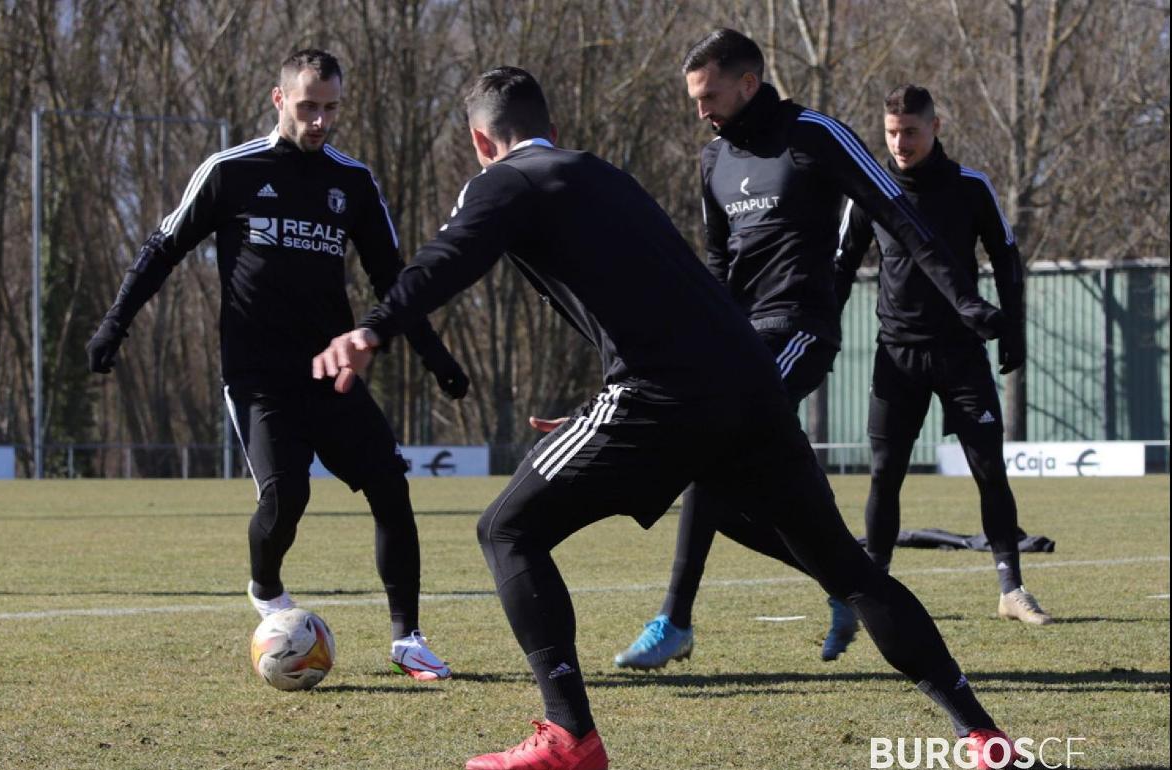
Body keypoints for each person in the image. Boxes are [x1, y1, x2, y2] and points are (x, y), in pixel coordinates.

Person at [312, 65, 1015, 770]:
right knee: (848, 567)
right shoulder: (602, 175)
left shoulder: (503, 180)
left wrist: (371, 329)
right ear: (552, 129)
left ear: (479, 141)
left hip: (660, 393)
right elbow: (659, 297)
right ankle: (981, 734)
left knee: (506, 529)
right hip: (747, 380)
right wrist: (604, 406)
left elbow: (448, 257)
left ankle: (569, 738)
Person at [614, 28, 1011, 668]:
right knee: (754, 482)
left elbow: (897, 217)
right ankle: (843, 581)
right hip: (736, 337)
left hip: (799, 327)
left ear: (748, 84)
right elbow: (718, 266)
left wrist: (965, 301)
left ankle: (675, 619)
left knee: (709, 447)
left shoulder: (815, 133)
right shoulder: (713, 158)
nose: (700, 111)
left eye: (710, 95)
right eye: (694, 98)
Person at [84, 48, 467, 681]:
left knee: (390, 487)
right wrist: (113, 325)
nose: (320, 121)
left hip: (330, 369)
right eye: (309, 106)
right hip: (257, 374)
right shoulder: (230, 171)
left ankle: (408, 639)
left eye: (331, 108)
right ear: (278, 98)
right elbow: (162, 248)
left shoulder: (352, 181)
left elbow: (392, 281)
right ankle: (266, 588)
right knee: (288, 493)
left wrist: (435, 356)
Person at [835, 84, 1050, 625]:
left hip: (961, 356)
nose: (900, 142)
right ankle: (872, 588)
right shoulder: (867, 188)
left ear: (936, 126)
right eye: (890, 132)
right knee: (885, 472)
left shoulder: (970, 186)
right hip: (896, 356)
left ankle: (1011, 589)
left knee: (988, 470)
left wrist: (1014, 331)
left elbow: (1006, 257)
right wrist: (820, 332)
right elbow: (839, 267)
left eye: (910, 130)